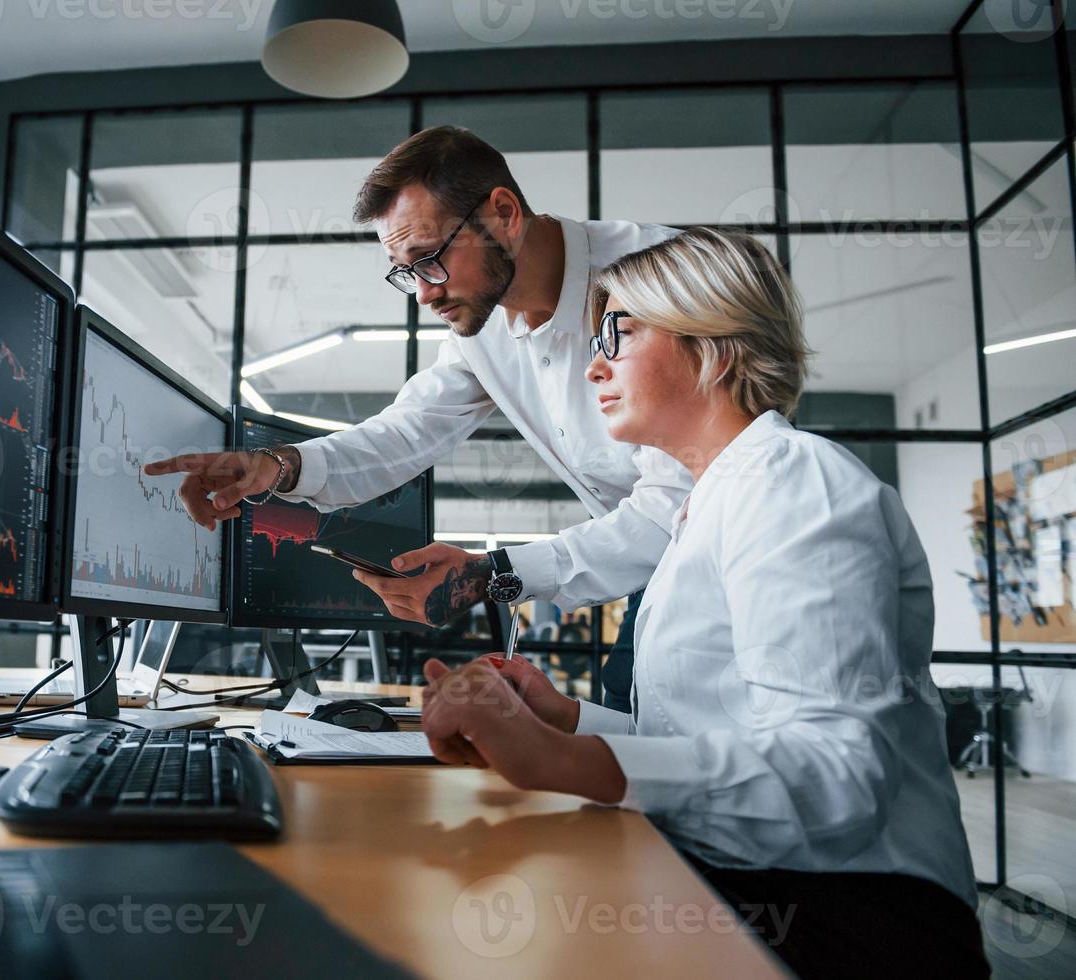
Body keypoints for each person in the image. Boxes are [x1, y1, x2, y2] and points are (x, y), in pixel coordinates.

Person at [418, 229, 987, 978]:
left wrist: (565, 759)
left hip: (855, 915)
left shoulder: (791, 483)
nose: (594, 366)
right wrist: (569, 719)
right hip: (764, 880)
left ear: (712, 336)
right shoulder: (710, 506)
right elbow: (718, 735)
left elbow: (835, 777)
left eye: (618, 333)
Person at [144, 126, 690, 711]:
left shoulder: (660, 278)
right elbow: (402, 435)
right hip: (650, 578)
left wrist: (489, 573)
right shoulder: (482, 332)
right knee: (631, 746)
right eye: (405, 272)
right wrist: (275, 468)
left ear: (503, 213)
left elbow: (678, 506)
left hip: (724, 560)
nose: (424, 295)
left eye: (428, 259)